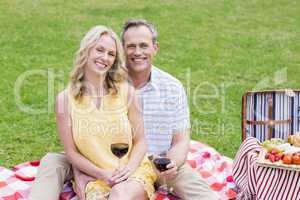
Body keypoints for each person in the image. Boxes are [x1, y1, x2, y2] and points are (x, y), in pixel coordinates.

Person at [29, 19, 218, 200]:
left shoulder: (170, 87)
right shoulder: (106, 80)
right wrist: (81, 173)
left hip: (152, 161)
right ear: (123, 50)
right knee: (52, 161)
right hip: (95, 157)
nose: (137, 52)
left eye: (143, 45)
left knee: (200, 192)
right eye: (131, 46)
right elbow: (73, 149)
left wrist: (171, 164)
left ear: (155, 48)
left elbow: (181, 140)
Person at [29, 25, 157, 200]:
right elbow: (71, 152)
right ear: (87, 51)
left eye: (111, 54)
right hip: (95, 177)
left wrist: (129, 168)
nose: (104, 58)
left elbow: (141, 140)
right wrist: (101, 174)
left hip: (132, 171)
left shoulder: (127, 92)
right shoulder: (65, 100)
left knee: (120, 195)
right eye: (100, 50)